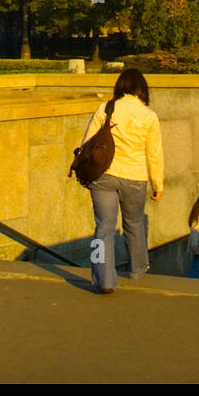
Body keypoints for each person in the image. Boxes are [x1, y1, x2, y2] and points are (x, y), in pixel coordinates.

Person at [82, 67, 164, 294]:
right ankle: (137, 270)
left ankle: (104, 279)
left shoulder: (106, 108)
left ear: (120, 86)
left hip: (103, 176)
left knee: (103, 228)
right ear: (142, 89)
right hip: (135, 177)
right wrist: (158, 184)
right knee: (134, 224)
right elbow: (154, 154)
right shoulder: (149, 116)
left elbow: (87, 143)